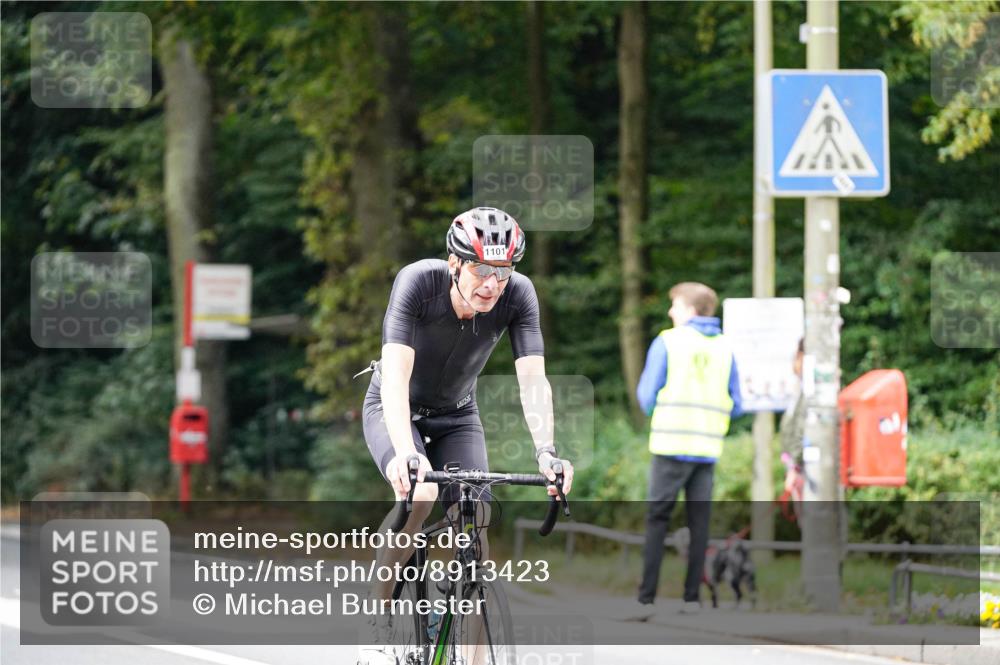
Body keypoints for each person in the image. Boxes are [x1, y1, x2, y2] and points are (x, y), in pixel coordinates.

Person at [357, 207, 574, 665]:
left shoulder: (519, 296)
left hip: (457, 415)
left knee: (476, 522)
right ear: (454, 263)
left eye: (502, 271)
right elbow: (395, 376)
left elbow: (533, 380)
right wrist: (403, 453)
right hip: (397, 408)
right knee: (421, 495)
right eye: (480, 269)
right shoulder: (418, 282)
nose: (492, 284)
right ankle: (376, 626)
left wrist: (547, 452)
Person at [625, 282, 742, 620]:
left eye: (675, 305)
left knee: (657, 520)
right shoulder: (726, 348)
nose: (670, 311)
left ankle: (646, 599)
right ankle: (691, 599)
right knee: (699, 524)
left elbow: (646, 396)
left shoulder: (668, 341)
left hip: (670, 445)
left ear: (690, 310)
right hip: (707, 448)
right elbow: (737, 404)